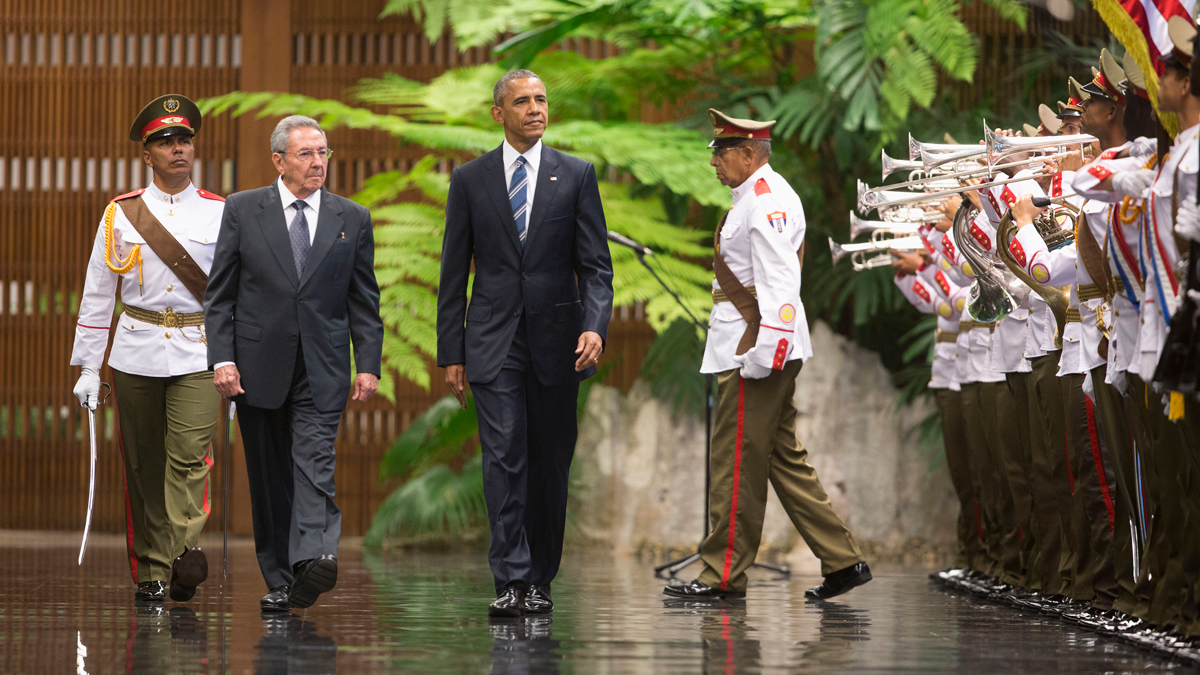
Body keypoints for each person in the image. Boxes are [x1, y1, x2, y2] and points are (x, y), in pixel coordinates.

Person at [663, 109, 869, 601]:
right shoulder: (754, 198)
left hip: (754, 348)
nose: (714, 162)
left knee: (736, 461)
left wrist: (765, 352)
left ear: (749, 153)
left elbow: (779, 281)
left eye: (722, 153)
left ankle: (722, 573)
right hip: (752, 342)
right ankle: (842, 561)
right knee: (780, 457)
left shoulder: (766, 200)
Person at [436, 69, 614, 617]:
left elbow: (596, 267)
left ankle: (541, 578)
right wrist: (452, 354)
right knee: (504, 459)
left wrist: (595, 325)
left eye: (541, 99)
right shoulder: (470, 180)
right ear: (499, 114)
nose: (536, 108)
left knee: (550, 464)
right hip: (493, 341)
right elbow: (451, 274)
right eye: (523, 101)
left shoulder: (577, 175)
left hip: (560, 341)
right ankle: (510, 579)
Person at [204, 115, 384, 612]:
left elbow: (363, 300)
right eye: (306, 154)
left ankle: (312, 559)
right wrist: (223, 359)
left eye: (323, 152)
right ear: (279, 160)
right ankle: (281, 580)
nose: (318, 163)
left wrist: (368, 362)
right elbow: (220, 295)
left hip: (322, 365)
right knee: (268, 477)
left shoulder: (353, 217)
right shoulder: (243, 209)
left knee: (314, 465)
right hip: (257, 365)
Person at [70, 94, 224, 604]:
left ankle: (183, 555)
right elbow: (98, 293)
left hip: (198, 349)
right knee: (143, 465)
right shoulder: (121, 213)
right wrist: (89, 366)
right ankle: (152, 571)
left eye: (184, 140)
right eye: (165, 141)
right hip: (135, 350)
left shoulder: (222, 212)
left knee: (190, 459)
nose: (177, 149)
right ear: (147, 154)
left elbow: (234, 292)